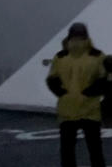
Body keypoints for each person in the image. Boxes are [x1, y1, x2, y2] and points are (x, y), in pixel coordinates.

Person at [45, 23, 108, 167]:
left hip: (69, 111)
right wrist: (90, 92)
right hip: (89, 110)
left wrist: (62, 93)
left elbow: (52, 79)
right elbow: (104, 79)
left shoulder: (60, 56)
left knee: (68, 153)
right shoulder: (97, 55)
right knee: (94, 151)